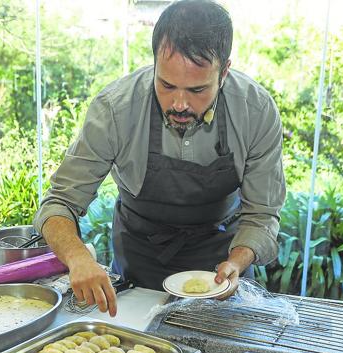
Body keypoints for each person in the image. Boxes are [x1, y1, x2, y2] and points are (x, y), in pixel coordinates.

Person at [33, 0, 286, 317]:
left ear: (224, 73)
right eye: (166, 85)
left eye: (197, 90)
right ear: (154, 64)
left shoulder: (255, 110)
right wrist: (78, 257)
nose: (179, 103)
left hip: (221, 266)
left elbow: (262, 213)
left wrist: (237, 262)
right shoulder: (115, 109)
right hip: (139, 263)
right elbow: (59, 202)